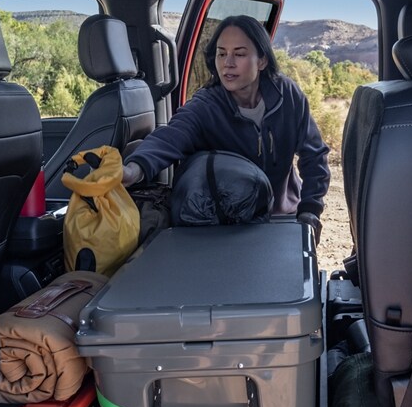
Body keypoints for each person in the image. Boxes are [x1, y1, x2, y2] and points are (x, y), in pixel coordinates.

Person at [122, 15, 330, 242]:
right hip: (231, 224)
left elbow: (314, 156)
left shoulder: (287, 95)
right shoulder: (206, 105)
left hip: (284, 216)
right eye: (221, 53)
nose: (227, 63)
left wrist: (310, 209)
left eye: (239, 54)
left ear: (261, 61)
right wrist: (134, 169)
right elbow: (170, 136)